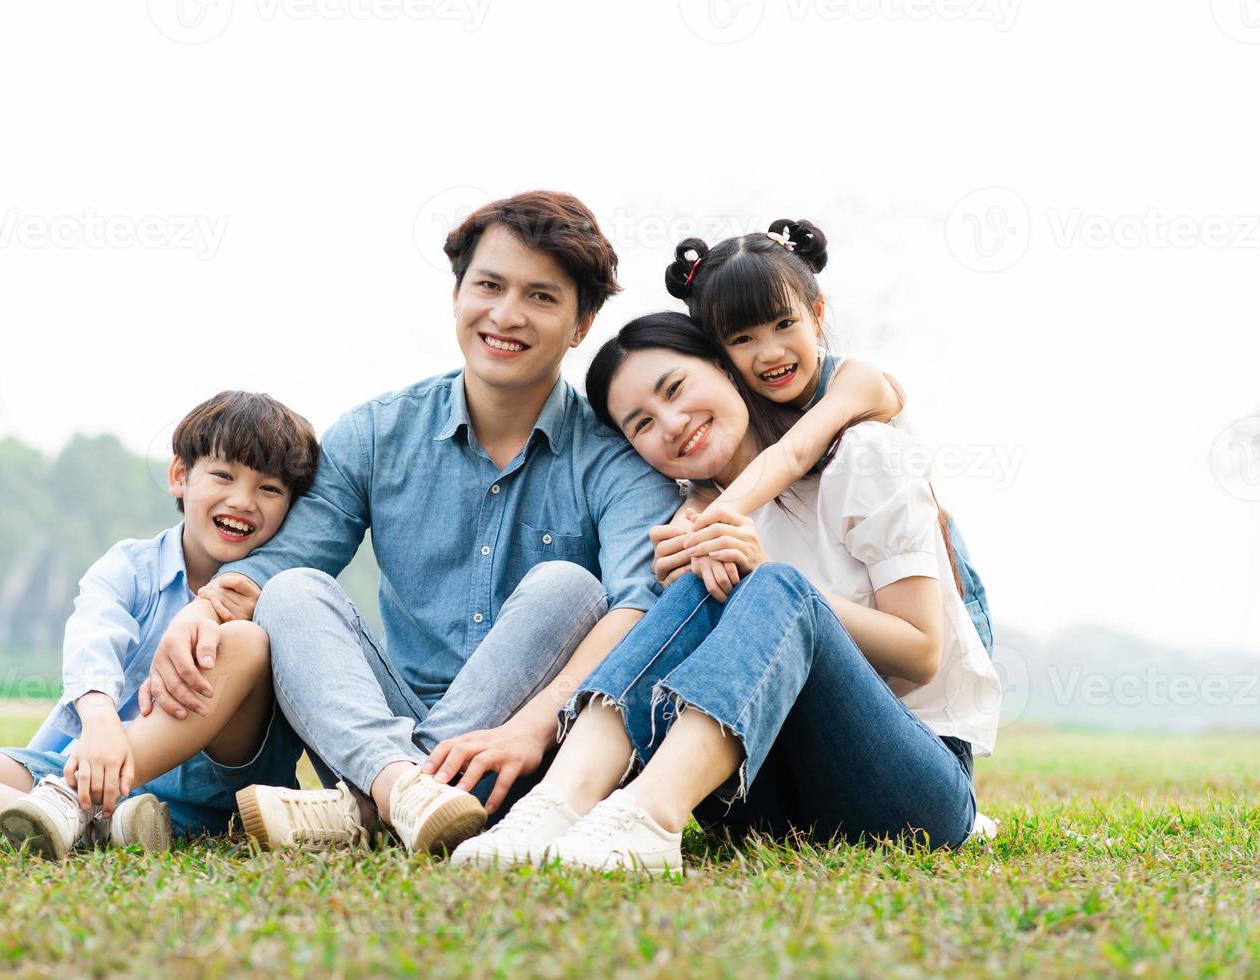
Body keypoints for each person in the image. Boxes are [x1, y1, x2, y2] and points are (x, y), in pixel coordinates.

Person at [140, 191, 682, 857]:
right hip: (373, 736)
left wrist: (536, 728)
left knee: (570, 587)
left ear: (580, 323)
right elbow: (279, 563)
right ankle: (404, 791)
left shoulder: (618, 459)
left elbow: (642, 609)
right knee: (292, 593)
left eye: (541, 296)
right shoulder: (376, 434)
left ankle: (371, 810)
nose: (505, 315)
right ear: (458, 296)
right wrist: (207, 608)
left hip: (525, 754)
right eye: (489, 286)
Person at [451, 313, 1002, 870]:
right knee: (702, 579)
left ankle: (651, 819)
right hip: (760, 798)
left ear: (726, 370)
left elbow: (923, 653)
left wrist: (770, 580)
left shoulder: (860, 454)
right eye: (641, 424)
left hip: (912, 789)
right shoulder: (691, 514)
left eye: (676, 388)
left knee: (771, 583)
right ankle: (559, 803)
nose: (670, 423)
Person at [0, 391, 323, 859]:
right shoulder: (131, 565)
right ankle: (87, 825)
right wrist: (100, 717)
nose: (243, 500)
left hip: (214, 788)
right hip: (89, 764)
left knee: (243, 640)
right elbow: (94, 631)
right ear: (179, 476)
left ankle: (67, 808)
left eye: (269, 489)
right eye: (224, 476)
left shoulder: (280, 589)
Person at [661, 219, 992, 652]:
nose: (770, 352)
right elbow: (710, 488)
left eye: (783, 324)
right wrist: (687, 525)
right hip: (842, 603)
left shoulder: (858, 380)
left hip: (930, 595)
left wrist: (708, 530)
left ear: (816, 315)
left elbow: (794, 453)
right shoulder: (747, 410)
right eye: (742, 338)